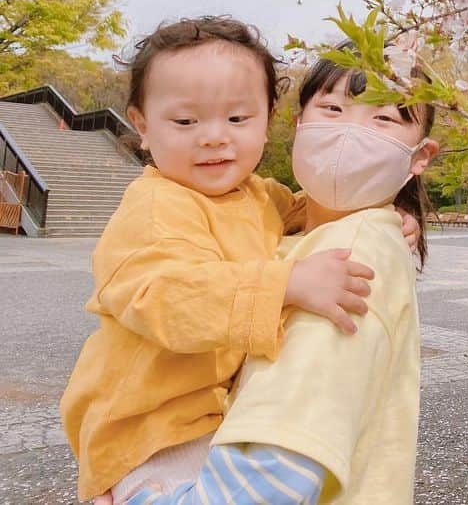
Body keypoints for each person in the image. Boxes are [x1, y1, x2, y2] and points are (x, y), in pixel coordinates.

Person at [58, 18, 394, 504]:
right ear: (143, 125)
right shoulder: (155, 208)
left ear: (268, 118)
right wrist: (284, 284)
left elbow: (310, 211)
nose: (214, 138)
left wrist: (381, 212)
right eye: (186, 122)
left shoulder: (256, 194)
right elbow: (165, 296)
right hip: (149, 431)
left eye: (237, 119)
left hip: (208, 419)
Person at [123, 49, 439, 504]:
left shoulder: (348, 255)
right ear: (297, 125)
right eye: (332, 110)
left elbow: (273, 471)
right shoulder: (277, 221)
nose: (350, 132)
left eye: (384, 120)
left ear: (419, 156)